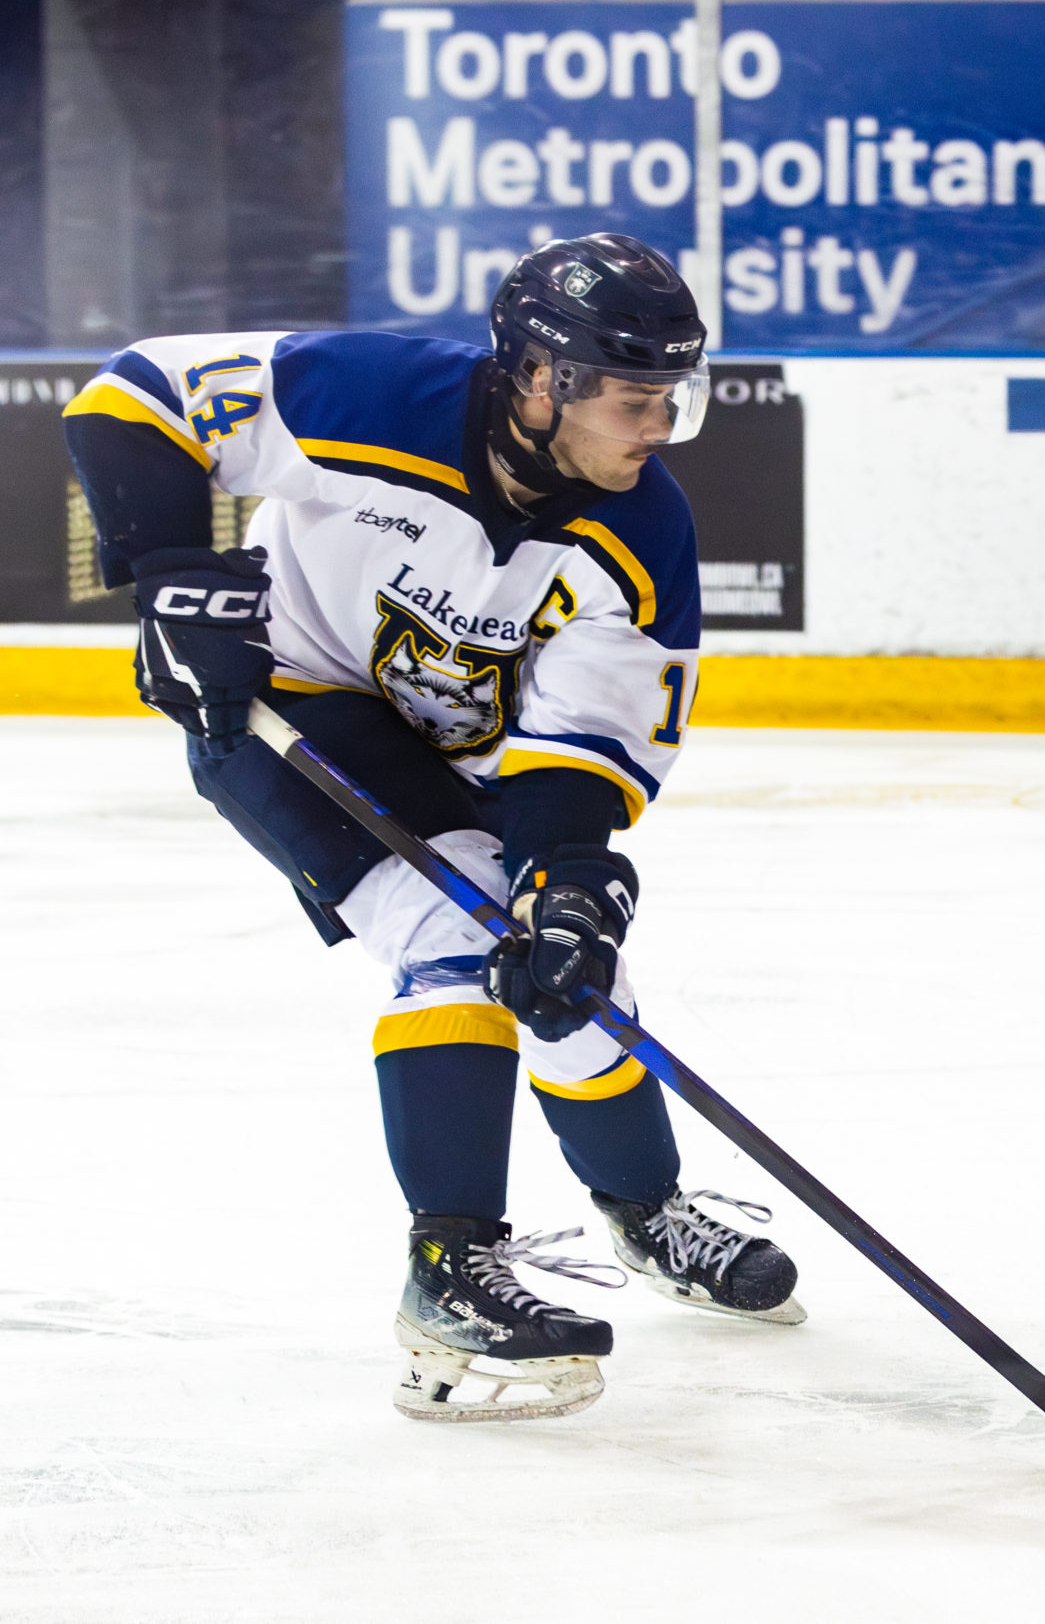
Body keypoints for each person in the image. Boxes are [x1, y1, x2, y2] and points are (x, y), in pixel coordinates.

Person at [62, 232, 802, 1423]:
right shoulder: (365, 396)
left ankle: (648, 1211)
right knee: (456, 950)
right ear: (544, 377)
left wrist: (568, 883)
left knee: (559, 974)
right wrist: (170, 573)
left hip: (465, 763)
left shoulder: (642, 533)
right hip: (288, 712)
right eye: (632, 398)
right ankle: (448, 1269)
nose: (658, 427)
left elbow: (584, 742)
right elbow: (134, 395)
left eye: (672, 398)